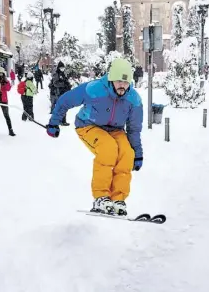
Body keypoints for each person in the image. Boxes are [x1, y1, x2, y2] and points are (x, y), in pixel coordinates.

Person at [45, 58, 143, 216]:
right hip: (88, 125)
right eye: (119, 81)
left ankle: (118, 199)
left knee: (127, 154)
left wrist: (138, 154)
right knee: (108, 149)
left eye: (126, 83)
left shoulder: (134, 99)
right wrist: (53, 123)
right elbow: (65, 100)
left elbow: (134, 129)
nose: (122, 86)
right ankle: (101, 197)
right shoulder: (94, 89)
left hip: (115, 130)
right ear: (111, 79)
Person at [50, 61, 71, 126]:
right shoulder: (56, 74)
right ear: (59, 68)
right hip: (59, 93)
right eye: (61, 67)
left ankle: (62, 121)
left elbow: (65, 81)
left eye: (63, 67)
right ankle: (61, 121)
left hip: (63, 92)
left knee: (63, 107)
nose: (63, 68)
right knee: (62, 107)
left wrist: (68, 85)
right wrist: (64, 84)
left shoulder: (62, 74)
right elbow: (55, 83)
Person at [0, 67, 16, 136]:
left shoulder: (5, 81)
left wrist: (5, 82)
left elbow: (8, 88)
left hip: (3, 99)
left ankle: (10, 130)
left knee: (6, 115)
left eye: (2, 74)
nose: (0, 75)